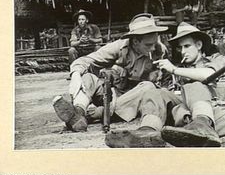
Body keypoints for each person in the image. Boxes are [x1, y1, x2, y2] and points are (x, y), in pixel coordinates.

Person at [53, 13, 171, 147]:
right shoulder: (118, 47)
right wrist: (75, 75)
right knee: (88, 77)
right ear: (135, 41)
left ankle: (94, 115)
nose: (153, 48)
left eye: (155, 43)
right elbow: (85, 60)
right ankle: (79, 112)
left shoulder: (160, 51)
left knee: (149, 86)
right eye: (148, 45)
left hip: (135, 103)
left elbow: (164, 87)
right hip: (111, 95)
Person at [152, 22, 225, 147]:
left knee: (194, 90)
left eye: (187, 46)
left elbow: (207, 74)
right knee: (157, 94)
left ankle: (200, 125)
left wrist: (174, 70)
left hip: (215, 107)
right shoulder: (182, 69)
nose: (183, 51)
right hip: (191, 109)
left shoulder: (216, 58)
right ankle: (148, 131)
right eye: (180, 48)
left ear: (199, 45)